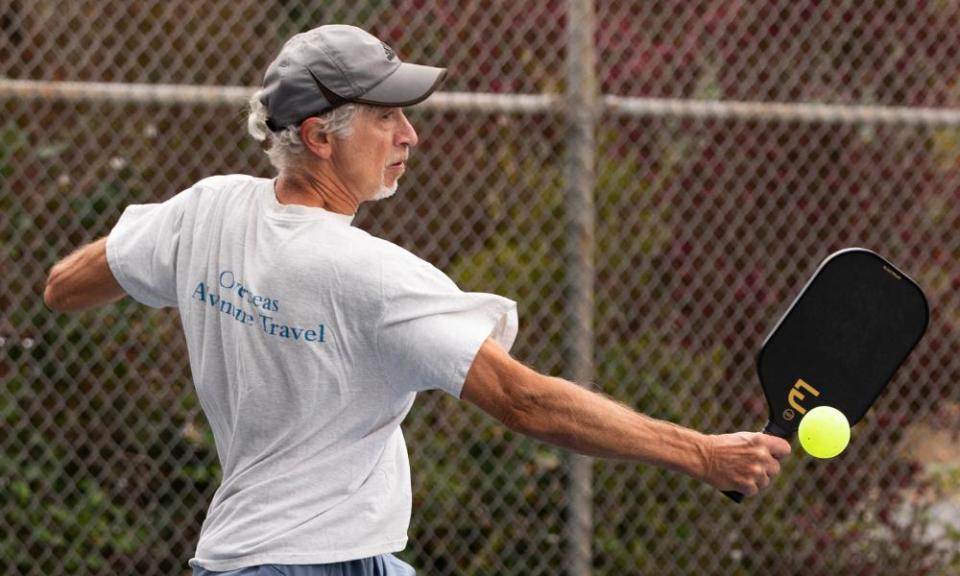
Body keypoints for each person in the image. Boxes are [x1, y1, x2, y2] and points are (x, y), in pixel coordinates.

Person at [43, 24, 790, 576]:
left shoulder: (206, 211)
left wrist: (190, 274)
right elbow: (525, 401)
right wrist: (700, 451)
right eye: (385, 116)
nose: (410, 134)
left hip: (272, 557)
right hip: (314, 563)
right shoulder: (374, 276)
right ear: (319, 136)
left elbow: (66, 284)